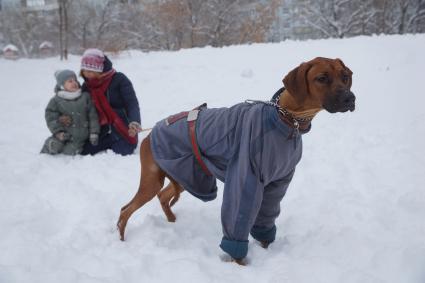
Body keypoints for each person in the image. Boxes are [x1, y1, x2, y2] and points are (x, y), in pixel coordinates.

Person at [79, 48, 142, 156]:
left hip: (122, 126)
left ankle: (116, 138)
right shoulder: (87, 86)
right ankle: (108, 139)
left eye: (90, 71)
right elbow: (82, 107)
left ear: (99, 69)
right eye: (84, 71)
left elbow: (132, 103)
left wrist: (134, 122)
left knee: (123, 151)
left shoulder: (120, 79)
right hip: (100, 129)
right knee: (84, 150)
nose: (86, 74)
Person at [41, 69, 100, 155]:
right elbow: (51, 118)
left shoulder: (85, 97)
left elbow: (93, 116)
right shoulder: (56, 100)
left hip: (82, 135)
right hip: (65, 134)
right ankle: (50, 145)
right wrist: (58, 131)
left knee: (70, 151)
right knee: (56, 145)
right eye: (70, 81)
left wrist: (94, 132)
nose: (74, 83)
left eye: (75, 80)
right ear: (62, 85)